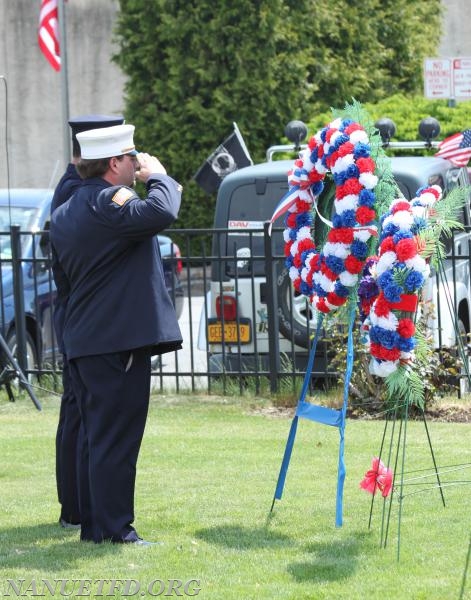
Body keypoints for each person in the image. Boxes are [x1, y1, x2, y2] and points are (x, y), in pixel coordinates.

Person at [50, 123, 183, 544]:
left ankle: (95, 525)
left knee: (95, 437)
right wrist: (159, 176)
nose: (136, 162)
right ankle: (114, 529)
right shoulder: (110, 200)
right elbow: (162, 211)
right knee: (117, 439)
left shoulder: (66, 211)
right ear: (113, 164)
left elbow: (65, 282)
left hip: (87, 339)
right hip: (115, 340)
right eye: (131, 157)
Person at [53, 114, 125, 529]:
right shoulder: (76, 189)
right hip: (81, 315)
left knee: (78, 415)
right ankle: (77, 508)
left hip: (78, 314)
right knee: (81, 415)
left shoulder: (72, 184)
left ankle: (77, 507)